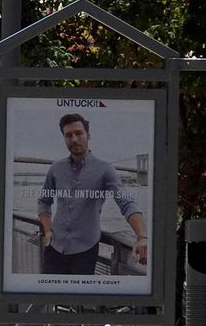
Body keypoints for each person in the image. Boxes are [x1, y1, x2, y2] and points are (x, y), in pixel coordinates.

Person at [37, 113, 148, 274]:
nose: (74, 139)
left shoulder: (105, 170)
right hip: (54, 247)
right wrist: (47, 231)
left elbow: (126, 203)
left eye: (79, 133)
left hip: (85, 251)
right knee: (48, 296)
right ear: (64, 138)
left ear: (88, 135)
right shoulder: (55, 169)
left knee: (78, 298)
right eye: (68, 135)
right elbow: (44, 201)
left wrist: (141, 237)